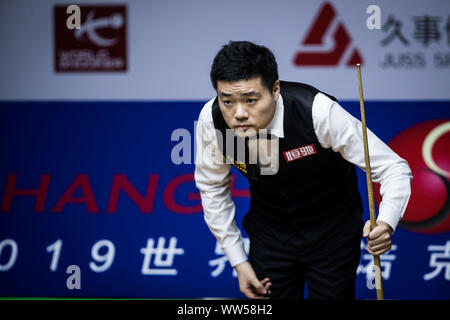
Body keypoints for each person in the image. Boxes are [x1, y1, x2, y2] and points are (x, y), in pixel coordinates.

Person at [194, 41, 412, 300]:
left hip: (333, 233)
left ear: (275, 90)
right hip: (270, 234)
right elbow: (212, 186)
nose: (238, 113)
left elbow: (392, 167)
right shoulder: (213, 120)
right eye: (227, 100)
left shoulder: (318, 112)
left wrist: (386, 223)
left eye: (251, 100)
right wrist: (239, 261)